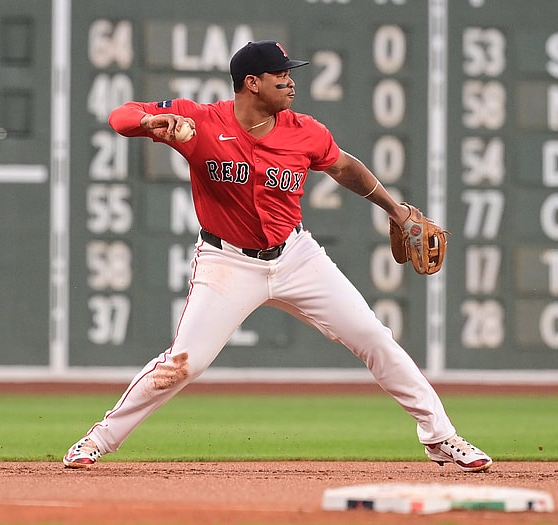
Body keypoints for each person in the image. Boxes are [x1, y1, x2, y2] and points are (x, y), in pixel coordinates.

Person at [63, 40, 492, 473]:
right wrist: (155, 120)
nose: (291, 82)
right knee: (184, 364)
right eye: (280, 75)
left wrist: (396, 210)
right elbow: (121, 116)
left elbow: (345, 167)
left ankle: (441, 437)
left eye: (290, 73)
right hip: (227, 262)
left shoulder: (304, 129)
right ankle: (96, 440)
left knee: (374, 337)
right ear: (252, 83)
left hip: (296, 256)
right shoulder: (202, 121)